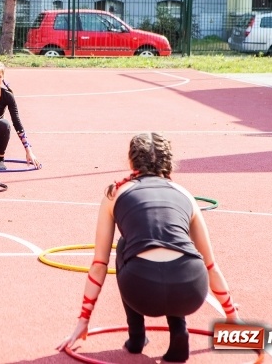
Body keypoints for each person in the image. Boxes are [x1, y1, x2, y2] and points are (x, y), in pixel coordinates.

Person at [57, 132, 241, 362]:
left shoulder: (115, 193)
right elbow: (211, 266)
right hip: (190, 290)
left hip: (142, 291)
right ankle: (178, 332)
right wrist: (232, 318)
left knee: (126, 244)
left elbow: (98, 265)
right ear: (169, 162)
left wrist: (83, 321)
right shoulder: (185, 195)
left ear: (131, 161)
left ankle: (136, 336)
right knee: (179, 244)